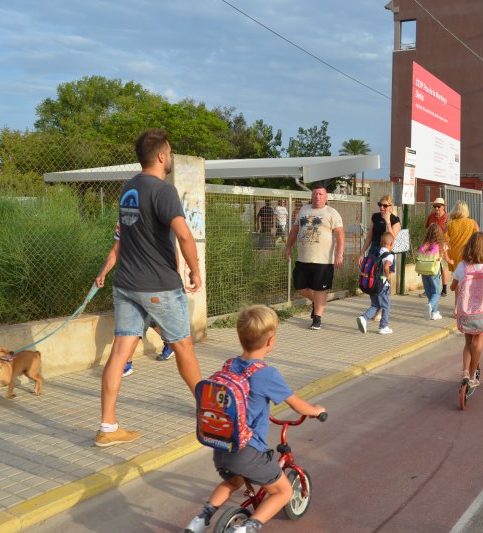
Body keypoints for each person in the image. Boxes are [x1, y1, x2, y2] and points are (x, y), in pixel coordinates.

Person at [95, 128, 203, 447]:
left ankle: (108, 427)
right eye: (169, 152)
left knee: (118, 354)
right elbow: (184, 235)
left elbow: (127, 236)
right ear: (160, 156)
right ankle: (209, 411)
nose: (170, 157)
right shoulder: (163, 190)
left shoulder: (128, 189)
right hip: (158, 285)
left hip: (126, 284)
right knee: (183, 348)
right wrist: (195, 271)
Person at [184, 305, 325, 533]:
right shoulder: (267, 374)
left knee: (233, 482)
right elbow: (298, 405)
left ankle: (199, 521)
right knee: (283, 492)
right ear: (270, 341)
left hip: (222, 447)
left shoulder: (230, 364)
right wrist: (316, 410)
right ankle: (246, 529)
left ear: (240, 338)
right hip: (248, 451)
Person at [94, 227, 175, 376]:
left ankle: (126, 363)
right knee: (142, 323)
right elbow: (115, 251)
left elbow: (171, 249)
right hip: (128, 284)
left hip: (152, 284)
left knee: (139, 325)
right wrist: (102, 273)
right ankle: (168, 344)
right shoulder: (124, 219)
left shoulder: (154, 218)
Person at [285, 185, 344, 331]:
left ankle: (317, 318)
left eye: (321, 194)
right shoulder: (304, 210)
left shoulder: (332, 213)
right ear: (311, 196)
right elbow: (294, 230)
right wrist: (288, 247)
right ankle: (318, 303)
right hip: (303, 258)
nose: (317, 196)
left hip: (323, 260)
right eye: (315, 194)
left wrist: (339, 253)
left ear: (326, 197)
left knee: (320, 290)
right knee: (300, 287)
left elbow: (340, 234)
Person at [450, 232, 483, 388]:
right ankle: (472, 376)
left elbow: (452, 287)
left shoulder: (462, 266)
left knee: (468, 342)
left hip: (465, 312)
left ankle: (464, 371)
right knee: (478, 343)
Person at [356, 232, 395, 335]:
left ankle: (363, 318)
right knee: (386, 306)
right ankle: (383, 327)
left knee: (375, 305)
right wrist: (388, 275)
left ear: (381, 243)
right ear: (391, 244)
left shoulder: (375, 253)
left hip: (372, 284)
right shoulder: (389, 255)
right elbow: (386, 266)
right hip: (382, 285)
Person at [445, 200, 479, 311]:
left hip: (454, 256)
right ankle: (468, 305)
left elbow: (445, 241)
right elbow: (478, 239)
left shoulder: (450, 224)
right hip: (469, 255)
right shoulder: (472, 223)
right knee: (469, 281)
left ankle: (456, 307)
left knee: (458, 281)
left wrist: (447, 256)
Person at [417, 223, 449, 320]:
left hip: (423, 271)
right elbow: (445, 256)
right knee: (436, 292)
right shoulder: (440, 245)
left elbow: (419, 253)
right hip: (433, 271)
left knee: (429, 291)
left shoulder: (425, 244)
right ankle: (430, 306)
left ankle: (434, 312)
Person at [426, 197, 449, 296]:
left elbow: (449, 232)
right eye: (435, 206)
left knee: (442, 266)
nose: (436, 208)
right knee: (430, 265)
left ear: (443, 207)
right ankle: (429, 287)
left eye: (438, 206)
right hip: (431, 244)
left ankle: (444, 289)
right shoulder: (431, 217)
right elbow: (427, 229)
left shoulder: (448, 218)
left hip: (443, 244)